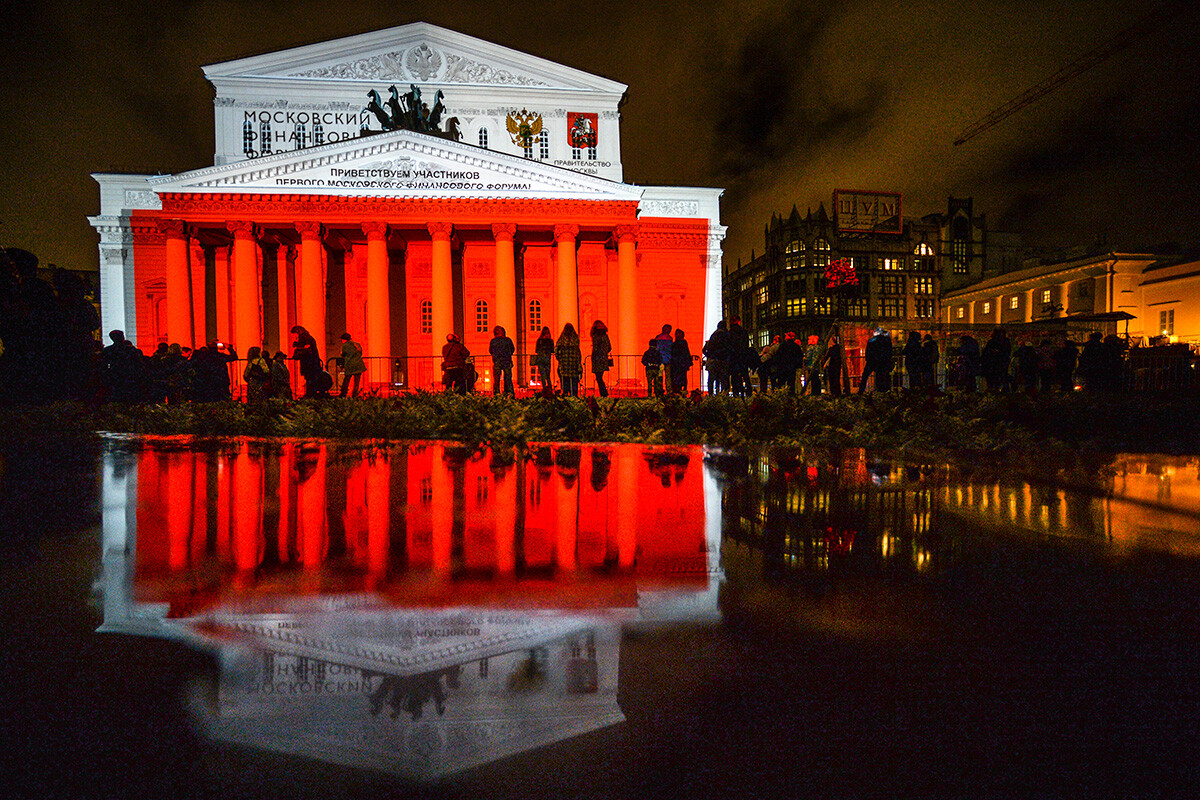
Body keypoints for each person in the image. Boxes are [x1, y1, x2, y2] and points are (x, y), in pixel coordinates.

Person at [291, 325, 322, 398]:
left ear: (297, 332)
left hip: (308, 362)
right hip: (313, 361)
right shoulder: (309, 337)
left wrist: (295, 344)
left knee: (309, 378)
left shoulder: (303, 337)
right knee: (312, 378)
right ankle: (311, 393)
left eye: (294, 334)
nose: (294, 336)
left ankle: (309, 394)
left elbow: (303, 347)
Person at [859, 327, 893, 393]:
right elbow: (889, 352)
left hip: (871, 361)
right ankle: (882, 390)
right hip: (881, 361)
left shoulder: (872, 340)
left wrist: (868, 359)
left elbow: (868, 351)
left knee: (865, 376)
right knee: (881, 376)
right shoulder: (886, 340)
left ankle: (861, 391)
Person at [555, 323, 583, 397]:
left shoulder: (562, 339)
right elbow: (578, 353)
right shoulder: (575, 339)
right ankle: (574, 399)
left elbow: (556, 350)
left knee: (565, 385)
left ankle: (566, 399)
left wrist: (559, 358)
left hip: (564, 364)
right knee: (574, 385)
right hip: (574, 365)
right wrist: (578, 363)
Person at [728, 316, 751, 397]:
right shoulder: (744, 332)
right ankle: (749, 394)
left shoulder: (730, 333)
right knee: (745, 376)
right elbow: (746, 345)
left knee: (734, 377)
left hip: (734, 359)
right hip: (743, 358)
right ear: (739, 322)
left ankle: (736, 394)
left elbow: (729, 346)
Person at [489, 325, 516, 396]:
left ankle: (496, 394)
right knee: (508, 379)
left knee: (497, 380)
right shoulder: (507, 340)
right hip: (507, 361)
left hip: (497, 361)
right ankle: (509, 394)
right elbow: (512, 349)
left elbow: (491, 351)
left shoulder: (493, 341)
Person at [338, 332, 367, 397]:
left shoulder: (345, 346)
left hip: (350, 365)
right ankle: (355, 394)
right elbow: (360, 353)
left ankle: (343, 394)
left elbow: (342, 354)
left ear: (345, 339)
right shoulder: (357, 344)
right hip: (359, 365)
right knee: (356, 382)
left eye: (342, 339)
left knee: (346, 380)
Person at [590, 320, 612, 397]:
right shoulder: (605, 336)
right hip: (603, 359)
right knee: (599, 377)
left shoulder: (595, 336)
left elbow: (595, 348)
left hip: (597, 359)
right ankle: (604, 393)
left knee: (599, 378)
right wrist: (604, 352)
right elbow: (609, 347)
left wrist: (594, 355)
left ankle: (604, 393)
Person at [822, 327, 846, 396]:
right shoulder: (840, 349)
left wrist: (823, 363)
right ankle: (838, 392)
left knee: (832, 380)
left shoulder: (832, 349)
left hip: (832, 366)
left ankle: (833, 392)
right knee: (837, 379)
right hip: (837, 365)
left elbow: (826, 357)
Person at [669, 328, 693, 394]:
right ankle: (683, 390)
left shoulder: (674, 344)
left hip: (676, 364)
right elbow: (686, 353)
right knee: (683, 378)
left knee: (676, 379)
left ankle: (677, 391)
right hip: (682, 364)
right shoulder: (684, 343)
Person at [533, 326, 555, 398]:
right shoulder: (550, 341)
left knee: (542, 375)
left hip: (540, 359)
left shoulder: (539, 340)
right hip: (547, 358)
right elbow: (552, 350)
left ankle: (544, 389)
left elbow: (536, 350)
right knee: (548, 375)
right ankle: (549, 389)